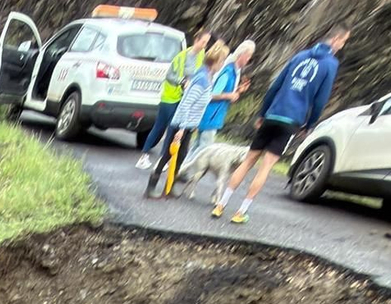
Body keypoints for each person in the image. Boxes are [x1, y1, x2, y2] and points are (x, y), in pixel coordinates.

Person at [214, 27, 349, 222]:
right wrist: (310, 124)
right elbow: (320, 99)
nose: (342, 45)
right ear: (336, 39)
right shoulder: (330, 64)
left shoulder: (300, 56)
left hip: (273, 113)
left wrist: (262, 113)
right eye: (343, 41)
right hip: (291, 119)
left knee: (248, 161)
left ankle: (221, 204)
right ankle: (240, 212)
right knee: (266, 166)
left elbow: (275, 86)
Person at [145, 41, 231, 198]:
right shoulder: (203, 79)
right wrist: (182, 128)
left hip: (189, 124)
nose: (223, 64)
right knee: (167, 155)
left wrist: (193, 124)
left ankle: (169, 187)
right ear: (217, 61)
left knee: (181, 155)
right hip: (181, 124)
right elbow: (187, 103)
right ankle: (151, 187)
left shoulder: (207, 76)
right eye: (222, 61)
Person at [138, 28, 211, 169]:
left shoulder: (202, 56)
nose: (204, 45)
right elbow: (170, 76)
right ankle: (144, 156)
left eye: (207, 43)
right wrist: (183, 81)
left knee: (173, 129)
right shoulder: (181, 56)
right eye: (203, 42)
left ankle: (163, 160)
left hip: (183, 98)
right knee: (160, 128)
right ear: (196, 40)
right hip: (170, 97)